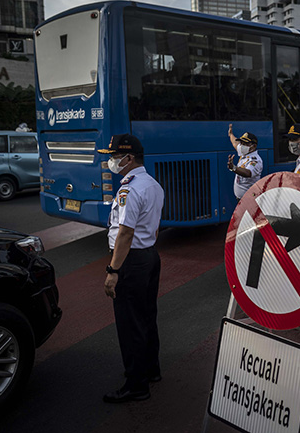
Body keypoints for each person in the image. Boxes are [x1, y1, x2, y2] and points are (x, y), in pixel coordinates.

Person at [98, 134, 164, 403]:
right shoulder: (153, 184)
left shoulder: (129, 189)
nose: (111, 161)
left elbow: (125, 233)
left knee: (130, 323)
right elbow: (155, 225)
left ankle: (136, 385)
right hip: (149, 256)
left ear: (129, 158)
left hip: (130, 261)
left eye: (114, 156)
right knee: (147, 316)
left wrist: (113, 271)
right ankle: (151, 370)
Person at [227, 124, 263, 200]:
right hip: (241, 199)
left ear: (253, 146)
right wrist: (230, 134)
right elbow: (235, 143)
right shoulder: (244, 153)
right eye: (241, 143)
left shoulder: (255, 160)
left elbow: (248, 173)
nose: (241, 146)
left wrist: (233, 168)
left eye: (245, 144)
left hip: (250, 200)